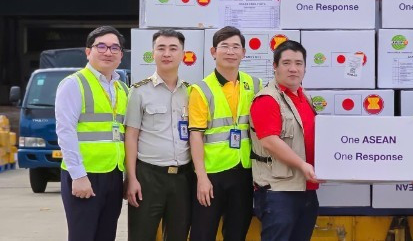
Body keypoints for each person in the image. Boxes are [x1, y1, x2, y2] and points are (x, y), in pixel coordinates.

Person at [55, 25, 129, 241]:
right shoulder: (73, 84)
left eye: (115, 48)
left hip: (113, 174)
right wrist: (78, 176)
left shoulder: (122, 88)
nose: (108, 52)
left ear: (121, 55)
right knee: (83, 236)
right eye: (101, 46)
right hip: (84, 175)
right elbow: (65, 131)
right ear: (88, 52)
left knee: (106, 235)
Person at [188, 26, 261, 241]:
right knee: (203, 233)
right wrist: (201, 177)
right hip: (212, 174)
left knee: (237, 233)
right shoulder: (201, 89)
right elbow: (196, 135)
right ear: (213, 52)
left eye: (236, 47)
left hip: (244, 171)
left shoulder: (254, 84)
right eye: (224, 46)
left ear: (244, 53)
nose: (230, 52)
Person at [124, 29, 193, 241]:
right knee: (141, 235)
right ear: (152, 53)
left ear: (183, 54)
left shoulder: (191, 92)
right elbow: (131, 136)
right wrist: (132, 178)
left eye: (173, 49)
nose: (167, 53)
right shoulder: (138, 91)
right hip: (148, 177)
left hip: (183, 178)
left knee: (178, 236)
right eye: (161, 48)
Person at [249, 40, 320, 241]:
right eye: (287, 63)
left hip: (305, 188)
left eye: (298, 63)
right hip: (279, 192)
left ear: (305, 67)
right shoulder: (267, 99)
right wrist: (302, 165)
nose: (293, 69)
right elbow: (270, 141)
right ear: (275, 66)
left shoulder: (303, 97)